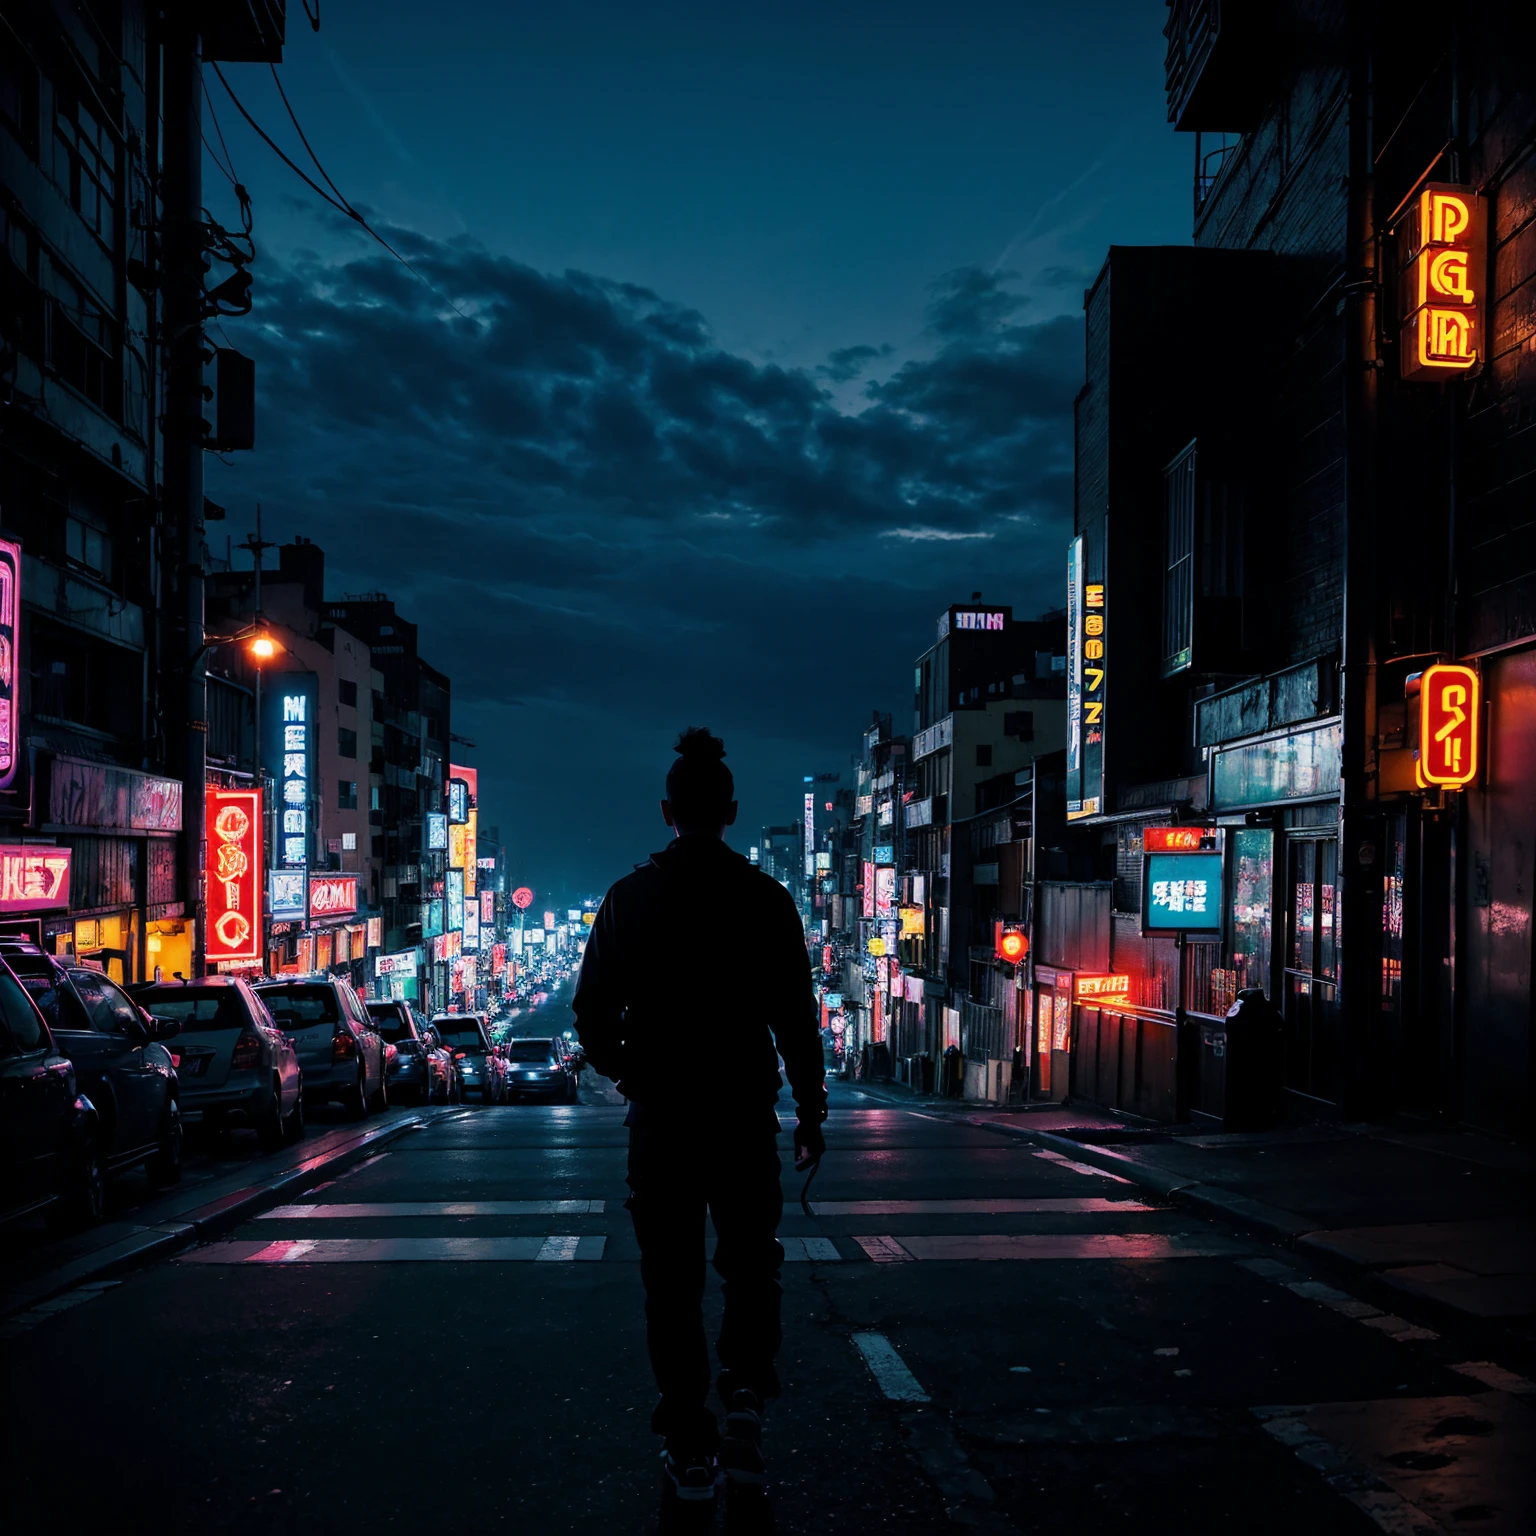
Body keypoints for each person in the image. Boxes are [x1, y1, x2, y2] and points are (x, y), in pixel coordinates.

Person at [573, 727, 827, 1505]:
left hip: (664, 1121)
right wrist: (810, 1109)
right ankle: (746, 1398)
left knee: (671, 1281)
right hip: (744, 1114)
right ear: (732, 813)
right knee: (752, 1263)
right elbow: (796, 1018)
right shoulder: (766, 898)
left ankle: (689, 1443)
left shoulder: (628, 899)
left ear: (667, 812)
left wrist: (633, 1071)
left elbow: (590, 1016)